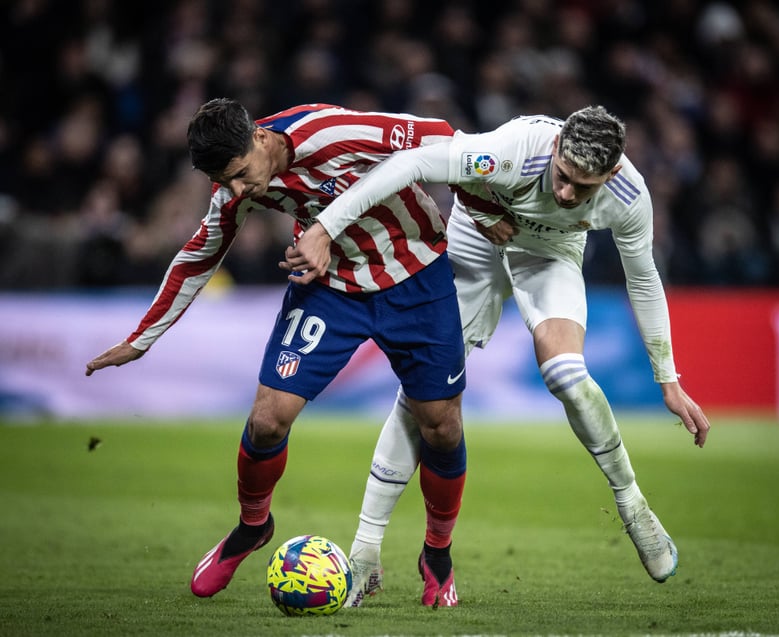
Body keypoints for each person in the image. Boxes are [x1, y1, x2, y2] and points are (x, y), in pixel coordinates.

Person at [302, 105, 711, 607]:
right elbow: (413, 163)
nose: (566, 194)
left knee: (567, 374)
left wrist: (668, 380)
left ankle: (633, 505)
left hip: (550, 253)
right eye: (563, 176)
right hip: (476, 239)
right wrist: (325, 227)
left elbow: (643, 279)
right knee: (425, 392)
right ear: (556, 147)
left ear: (610, 175)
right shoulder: (513, 150)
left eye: (583, 187)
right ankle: (366, 550)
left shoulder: (630, 197)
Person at [84, 98, 467, 608]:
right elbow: (199, 255)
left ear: (261, 139)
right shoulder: (235, 183)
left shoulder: (333, 133)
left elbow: (443, 137)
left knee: (441, 427)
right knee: (267, 421)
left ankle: (437, 553)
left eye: (241, 174)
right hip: (330, 289)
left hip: (417, 278)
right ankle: (252, 526)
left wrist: (486, 210)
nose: (239, 190)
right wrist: (141, 339)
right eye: (226, 182)